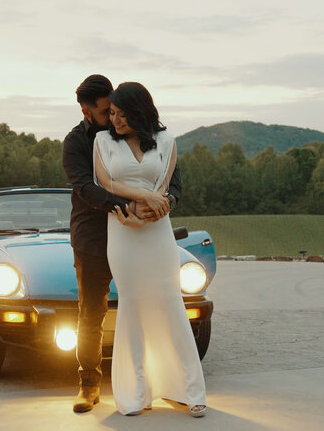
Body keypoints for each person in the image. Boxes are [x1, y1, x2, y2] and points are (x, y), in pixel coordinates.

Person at [62, 75, 182, 413]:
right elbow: (87, 188)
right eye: (105, 112)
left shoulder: (145, 135)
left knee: (152, 303)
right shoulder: (76, 143)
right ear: (87, 111)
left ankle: (161, 380)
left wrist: (163, 204)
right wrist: (129, 206)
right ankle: (88, 385)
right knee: (92, 314)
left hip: (141, 233)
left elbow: (174, 183)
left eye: (116, 110)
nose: (113, 118)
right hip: (94, 237)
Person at [93, 81, 207, 417]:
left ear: (140, 111)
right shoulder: (103, 141)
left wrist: (153, 209)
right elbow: (107, 183)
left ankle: (191, 390)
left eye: (122, 114)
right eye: (112, 114)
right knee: (132, 304)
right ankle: (137, 392)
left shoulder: (167, 141)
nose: (115, 120)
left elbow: (164, 187)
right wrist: (140, 204)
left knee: (170, 301)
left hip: (157, 232)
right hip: (123, 229)